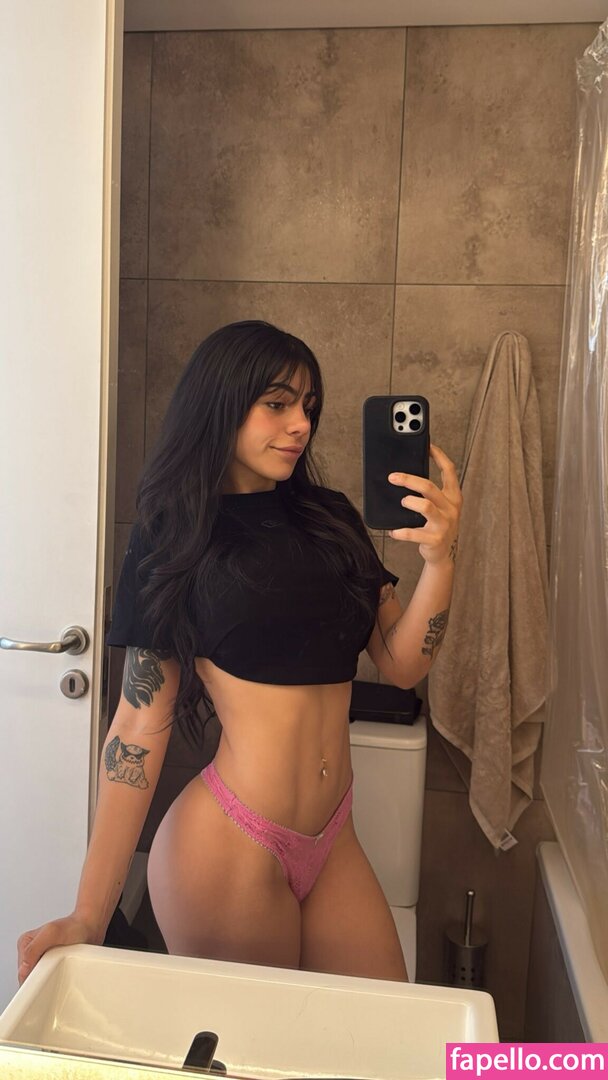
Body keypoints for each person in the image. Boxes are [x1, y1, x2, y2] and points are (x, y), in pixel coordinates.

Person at [17, 320, 461, 985]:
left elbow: (402, 666)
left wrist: (440, 560)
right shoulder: (173, 534)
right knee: (261, 1042)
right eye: (277, 403)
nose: (300, 424)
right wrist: (89, 915)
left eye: (307, 405)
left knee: (388, 1028)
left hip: (333, 837)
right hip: (229, 841)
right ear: (221, 404)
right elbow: (138, 724)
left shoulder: (331, 517)